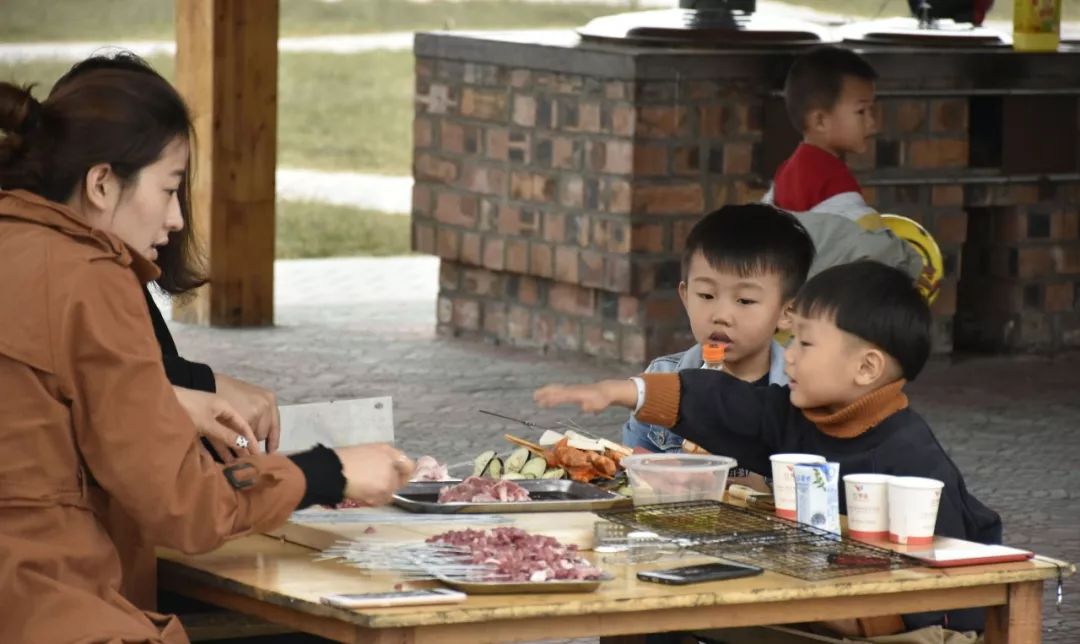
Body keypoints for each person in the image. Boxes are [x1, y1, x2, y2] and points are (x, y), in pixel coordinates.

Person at [0, 60, 415, 643]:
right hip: (54, 608)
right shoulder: (90, 279)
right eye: (169, 189)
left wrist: (163, 397)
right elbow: (185, 507)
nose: (175, 218)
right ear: (101, 183)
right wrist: (329, 471)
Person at [536, 261, 1001, 637]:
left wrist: (861, 618)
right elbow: (723, 402)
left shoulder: (912, 458)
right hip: (816, 595)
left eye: (806, 342)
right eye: (790, 339)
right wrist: (625, 390)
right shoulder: (792, 416)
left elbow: (952, 595)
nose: (791, 355)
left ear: (866, 368)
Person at [622, 204, 814, 480]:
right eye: (706, 295)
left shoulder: (802, 392)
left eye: (745, 300)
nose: (721, 316)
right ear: (686, 296)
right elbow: (629, 467)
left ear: (787, 313)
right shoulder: (662, 377)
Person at [762, 46, 924, 283]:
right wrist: (912, 264)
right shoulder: (835, 181)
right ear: (820, 120)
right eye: (861, 111)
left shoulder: (786, 170)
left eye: (872, 110)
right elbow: (872, 245)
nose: (872, 123)